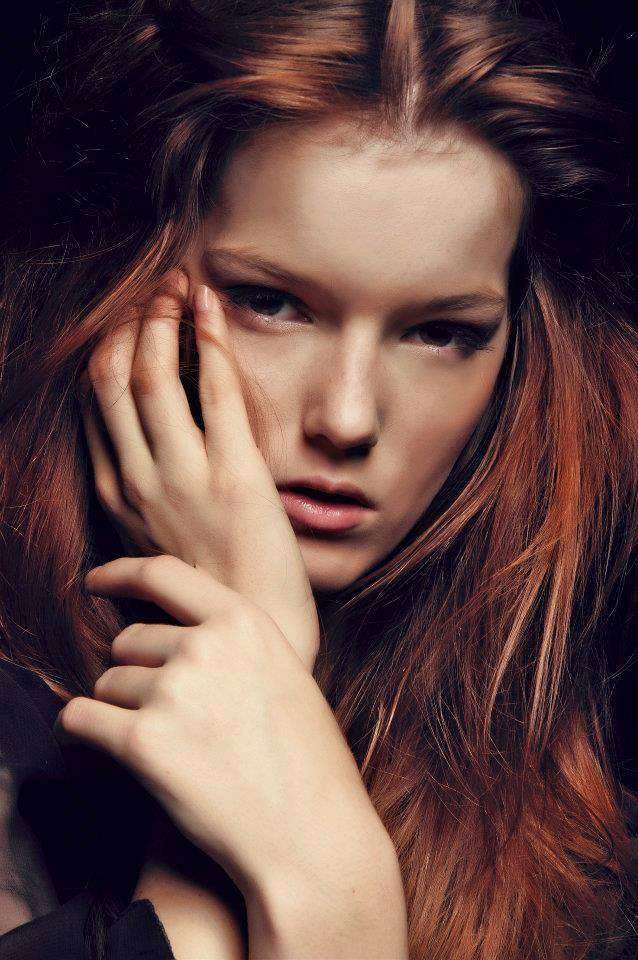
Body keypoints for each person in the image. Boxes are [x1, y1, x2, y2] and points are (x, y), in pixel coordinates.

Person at [0, 0, 636, 957]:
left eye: (441, 332)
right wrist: (318, 872)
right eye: (271, 303)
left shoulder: (556, 812)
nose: (347, 418)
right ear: (117, 286)